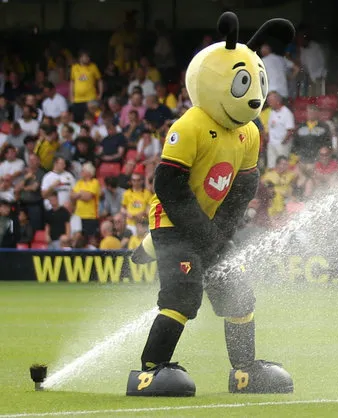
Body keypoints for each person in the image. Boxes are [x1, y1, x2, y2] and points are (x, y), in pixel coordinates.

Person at [127, 12, 294, 397]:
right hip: (172, 223)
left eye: (257, 83)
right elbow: (169, 188)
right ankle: (151, 369)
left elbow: (243, 189)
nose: (255, 95)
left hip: (210, 229)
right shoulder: (189, 125)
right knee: (183, 294)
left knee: (239, 294)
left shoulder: (250, 132)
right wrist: (207, 235)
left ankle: (244, 370)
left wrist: (219, 235)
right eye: (242, 83)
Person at [70, 51, 103, 123]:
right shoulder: (74, 67)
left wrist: (100, 94)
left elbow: (99, 80)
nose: (87, 58)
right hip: (77, 99)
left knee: (95, 117)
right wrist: (71, 96)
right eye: (85, 56)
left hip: (91, 97)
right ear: (80, 58)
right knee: (79, 120)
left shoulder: (93, 66)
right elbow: (72, 82)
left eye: (88, 57)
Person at [71, 163, 101, 237]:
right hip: (78, 216)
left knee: (90, 239)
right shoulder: (79, 182)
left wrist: (78, 194)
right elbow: (71, 196)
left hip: (90, 216)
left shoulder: (95, 182)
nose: (81, 172)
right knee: (79, 238)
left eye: (83, 171)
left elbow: (88, 197)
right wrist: (82, 194)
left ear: (89, 173)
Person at [265, 91, 295, 169]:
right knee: (271, 166)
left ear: (278, 101)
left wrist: (283, 142)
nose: (269, 103)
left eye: (270, 101)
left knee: (282, 166)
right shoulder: (272, 112)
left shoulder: (287, 113)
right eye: (268, 101)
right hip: (272, 144)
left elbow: (290, 130)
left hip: (282, 144)